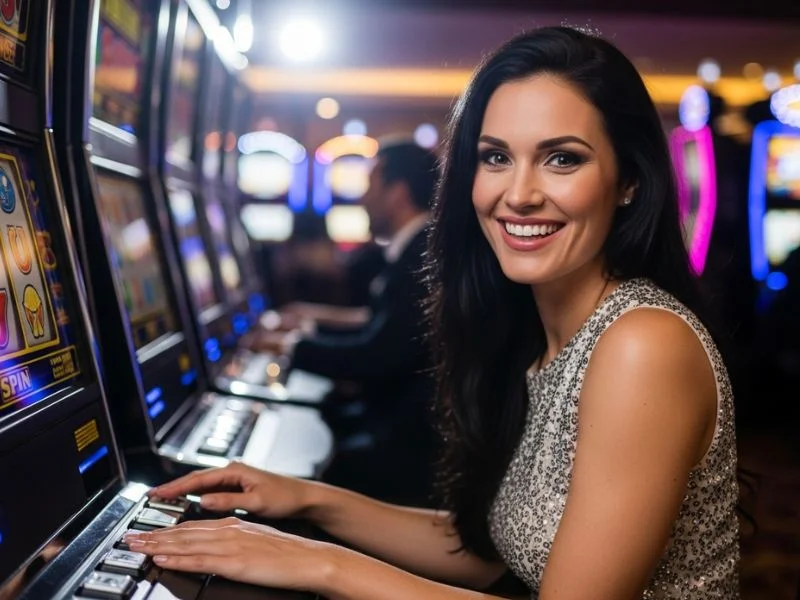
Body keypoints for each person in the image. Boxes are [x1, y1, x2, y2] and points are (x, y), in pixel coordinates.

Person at [123, 26, 740, 599]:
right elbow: (493, 552)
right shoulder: (541, 331)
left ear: (629, 180)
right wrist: (309, 501)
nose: (519, 194)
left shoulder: (643, 343)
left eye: (562, 159)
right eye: (496, 157)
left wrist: (319, 562)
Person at [251, 139, 441, 506]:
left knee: (293, 460)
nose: (362, 198)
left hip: (406, 445)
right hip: (393, 421)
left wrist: (292, 347)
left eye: (370, 185)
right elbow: (381, 324)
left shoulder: (423, 253)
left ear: (397, 193)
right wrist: (308, 325)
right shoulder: (419, 245)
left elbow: (378, 355)